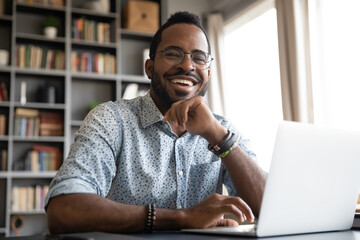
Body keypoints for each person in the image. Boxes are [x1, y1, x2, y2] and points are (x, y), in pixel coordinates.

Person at [45, 11, 267, 234]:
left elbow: (270, 207)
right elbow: (64, 209)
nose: (187, 65)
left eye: (199, 58)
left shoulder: (222, 130)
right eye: (173, 54)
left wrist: (220, 139)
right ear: (149, 68)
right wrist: (183, 218)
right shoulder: (112, 120)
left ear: (208, 73)